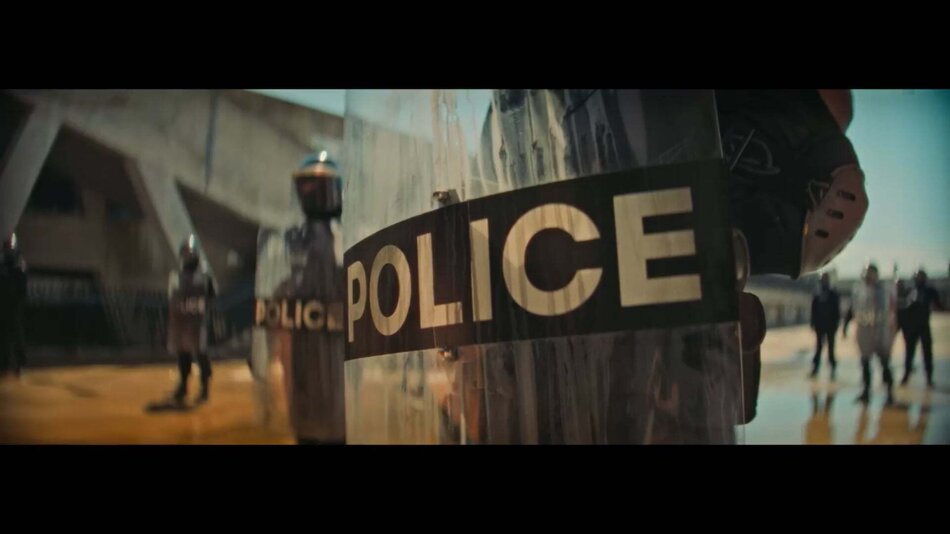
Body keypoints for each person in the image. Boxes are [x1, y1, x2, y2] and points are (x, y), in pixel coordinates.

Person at [253, 151, 346, 445]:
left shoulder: (344, 243)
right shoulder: (289, 244)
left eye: (320, 188)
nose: (314, 196)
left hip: (334, 371)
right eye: (307, 187)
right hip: (302, 368)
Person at [165, 235, 215, 405]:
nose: (186, 257)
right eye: (184, 253)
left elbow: (211, 295)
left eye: (188, 253)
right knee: (183, 355)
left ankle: (204, 387)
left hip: (197, 323)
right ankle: (183, 386)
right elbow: (172, 298)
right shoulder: (178, 277)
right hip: (182, 323)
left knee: (201, 355)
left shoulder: (204, 276)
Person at [844, 263, 896, 404]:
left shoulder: (883, 290)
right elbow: (852, 309)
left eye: (871, 273)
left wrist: (891, 332)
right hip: (865, 333)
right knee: (865, 363)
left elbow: (891, 311)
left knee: (884, 363)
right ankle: (866, 392)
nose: (868, 276)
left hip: (881, 332)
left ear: (876, 275)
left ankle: (890, 392)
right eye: (867, 273)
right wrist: (845, 326)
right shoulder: (859, 290)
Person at [900, 269, 944, 387]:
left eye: (922, 276)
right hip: (912, 327)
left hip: (924, 326)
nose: (920, 278)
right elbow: (903, 308)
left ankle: (929, 377)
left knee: (927, 352)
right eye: (918, 276)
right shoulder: (910, 290)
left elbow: (939, 304)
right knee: (909, 352)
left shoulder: (929, 291)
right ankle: (906, 375)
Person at [0, 233, 28, 377]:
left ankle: (20, 363)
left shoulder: (18, 261)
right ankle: (4, 364)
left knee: (16, 334)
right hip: (5, 302)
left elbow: (21, 282)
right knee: (4, 334)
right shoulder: (4, 261)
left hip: (14, 302)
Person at [810, 272, 841, 379]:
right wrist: (813, 323)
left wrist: (836, 323)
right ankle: (815, 368)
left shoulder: (833, 293)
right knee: (818, 347)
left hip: (830, 326)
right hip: (820, 325)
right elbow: (813, 310)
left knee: (831, 348)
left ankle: (832, 368)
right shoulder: (817, 293)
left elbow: (836, 310)